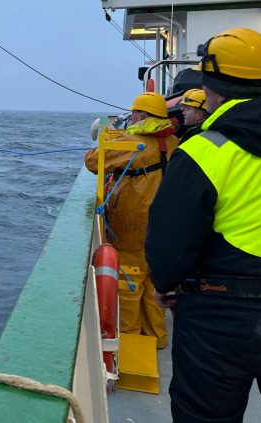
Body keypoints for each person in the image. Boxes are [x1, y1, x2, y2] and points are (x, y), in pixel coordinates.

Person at [146, 27, 261, 422]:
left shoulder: (204, 152)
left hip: (223, 317)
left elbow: (169, 245)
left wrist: (165, 285)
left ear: (213, 88)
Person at [85, 91, 179, 348]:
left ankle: (131, 344)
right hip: (164, 229)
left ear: (144, 115)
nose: (132, 117)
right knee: (153, 288)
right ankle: (157, 339)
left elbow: (93, 162)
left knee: (129, 285)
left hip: (132, 228)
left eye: (136, 112)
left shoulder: (133, 143)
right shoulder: (174, 143)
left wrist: (112, 139)